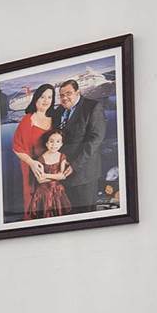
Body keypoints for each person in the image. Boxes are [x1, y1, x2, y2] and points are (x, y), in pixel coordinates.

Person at [53, 73, 113, 212]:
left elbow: (95, 140)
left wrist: (74, 165)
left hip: (84, 174)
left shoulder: (92, 107)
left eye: (68, 93)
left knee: (86, 217)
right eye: (61, 95)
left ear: (78, 92)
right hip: (62, 174)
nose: (64, 97)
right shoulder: (59, 111)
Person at [6, 89, 54, 223]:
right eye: (42, 97)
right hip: (34, 168)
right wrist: (32, 163)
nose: (46, 100)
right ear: (36, 98)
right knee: (36, 203)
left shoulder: (55, 117)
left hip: (53, 167)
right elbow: (17, 147)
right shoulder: (28, 119)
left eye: (50, 97)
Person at [28, 128, 74, 218]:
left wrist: (46, 175)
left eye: (58, 142)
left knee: (59, 214)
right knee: (45, 214)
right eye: (51, 141)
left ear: (61, 144)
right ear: (47, 143)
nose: (54, 145)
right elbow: (40, 180)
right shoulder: (41, 159)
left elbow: (63, 176)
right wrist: (56, 177)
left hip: (57, 191)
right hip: (43, 192)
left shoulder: (62, 156)